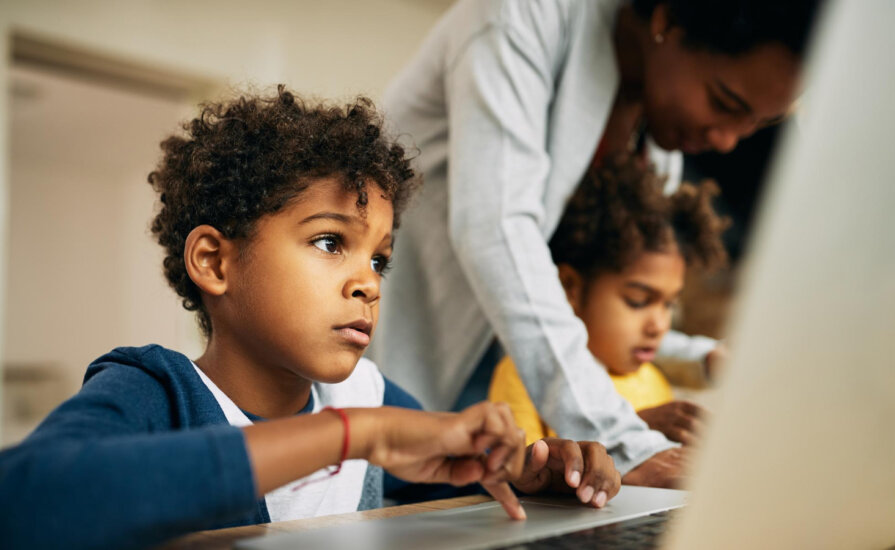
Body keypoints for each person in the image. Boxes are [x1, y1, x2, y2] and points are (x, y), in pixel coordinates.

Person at [0, 87, 622, 549]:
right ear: (215, 262)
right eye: (330, 242)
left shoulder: (365, 394)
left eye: (380, 259)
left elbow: (461, 484)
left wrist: (538, 474)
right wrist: (354, 435)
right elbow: (25, 500)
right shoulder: (158, 392)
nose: (368, 283)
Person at [371, 0, 821, 485]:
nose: (730, 140)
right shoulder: (519, 17)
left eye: (757, 122)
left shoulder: (656, 124)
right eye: (725, 103)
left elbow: (595, 313)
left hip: (506, 432)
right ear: (666, 17)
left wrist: (699, 358)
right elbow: (497, 233)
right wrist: (625, 441)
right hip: (413, 384)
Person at [489, 155, 728, 448]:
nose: (659, 325)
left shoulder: (652, 380)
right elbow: (520, 476)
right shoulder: (522, 376)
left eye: (669, 305)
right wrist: (634, 433)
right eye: (638, 301)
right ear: (570, 288)